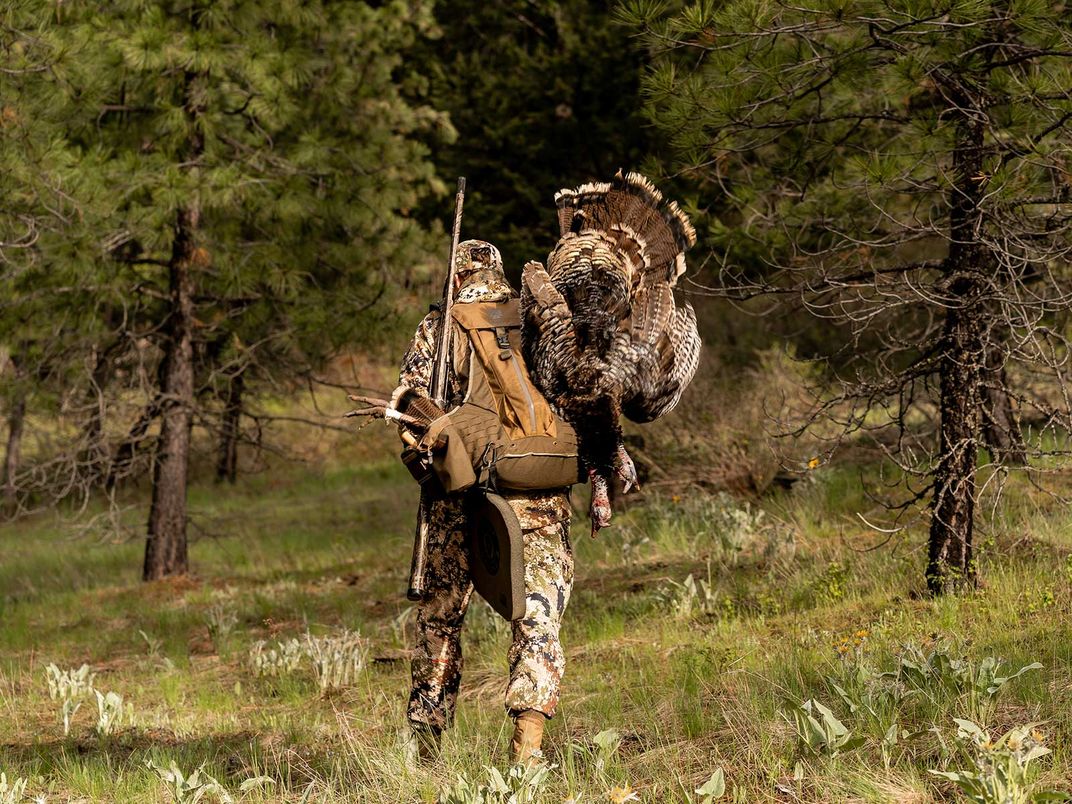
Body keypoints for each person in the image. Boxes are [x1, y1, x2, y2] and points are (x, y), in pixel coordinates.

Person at [396, 240, 574, 766]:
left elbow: (407, 405)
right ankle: (527, 753)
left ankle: (427, 755)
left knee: (440, 622)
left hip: (457, 502)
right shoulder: (538, 319)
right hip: (538, 496)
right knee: (537, 623)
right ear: (500, 275)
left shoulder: (439, 325)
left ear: (455, 278)